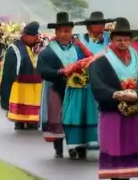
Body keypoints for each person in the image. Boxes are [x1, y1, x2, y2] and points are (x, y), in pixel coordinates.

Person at [88, 17, 138, 180]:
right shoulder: (101, 60)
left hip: (135, 107)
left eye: (126, 39)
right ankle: (115, 176)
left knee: (132, 142)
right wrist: (114, 94)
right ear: (112, 40)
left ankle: (127, 176)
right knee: (114, 142)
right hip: (113, 108)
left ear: (131, 40)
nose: (122, 42)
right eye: (118, 39)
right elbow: (97, 83)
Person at [37, 12, 98, 159]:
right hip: (56, 87)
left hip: (77, 89)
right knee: (57, 116)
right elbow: (42, 70)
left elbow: (88, 62)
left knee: (77, 117)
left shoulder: (77, 49)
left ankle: (78, 145)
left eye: (68, 31)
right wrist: (60, 72)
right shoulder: (48, 52)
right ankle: (59, 148)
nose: (65, 34)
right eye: (62, 31)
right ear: (56, 32)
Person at [0, 22, 43, 130]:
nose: (36, 39)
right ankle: (20, 122)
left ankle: (27, 122)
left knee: (32, 126)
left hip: (31, 96)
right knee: (20, 123)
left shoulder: (30, 48)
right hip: (19, 93)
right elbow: (7, 76)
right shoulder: (14, 50)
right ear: (27, 36)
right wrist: (6, 100)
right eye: (34, 36)